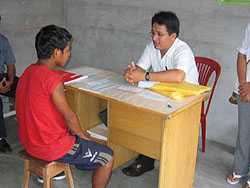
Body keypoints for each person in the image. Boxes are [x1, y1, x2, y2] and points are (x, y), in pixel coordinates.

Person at [16, 25, 114, 188]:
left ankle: (77, 160)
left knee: (80, 139)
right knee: (107, 156)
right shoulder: (52, 80)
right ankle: (78, 160)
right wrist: (83, 136)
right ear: (56, 52)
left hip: (28, 141)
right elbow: (70, 117)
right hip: (48, 147)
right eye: (68, 50)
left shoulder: (28, 72)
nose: (69, 54)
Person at [123, 11, 198, 177]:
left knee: (152, 119)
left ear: (173, 36)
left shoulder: (182, 50)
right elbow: (141, 68)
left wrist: (145, 76)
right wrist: (132, 73)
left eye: (160, 34)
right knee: (133, 111)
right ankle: (146, 156)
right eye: (152, 33)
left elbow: (178, 76)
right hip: (162, 94)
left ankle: (151, 159)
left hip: (186, 100)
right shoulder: (153, 47)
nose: (154, 38)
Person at [226, 23, 250, 188]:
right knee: (244, 132)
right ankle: (240, 168)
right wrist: (243, 85)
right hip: (245, 89)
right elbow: (242, 54)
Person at [0, 15, 18, 153]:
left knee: (25, 87)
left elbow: (10, 65)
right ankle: (1, 138)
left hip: (1, 77)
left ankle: (31, 126)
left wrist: (10, 82)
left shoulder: (3, 41)